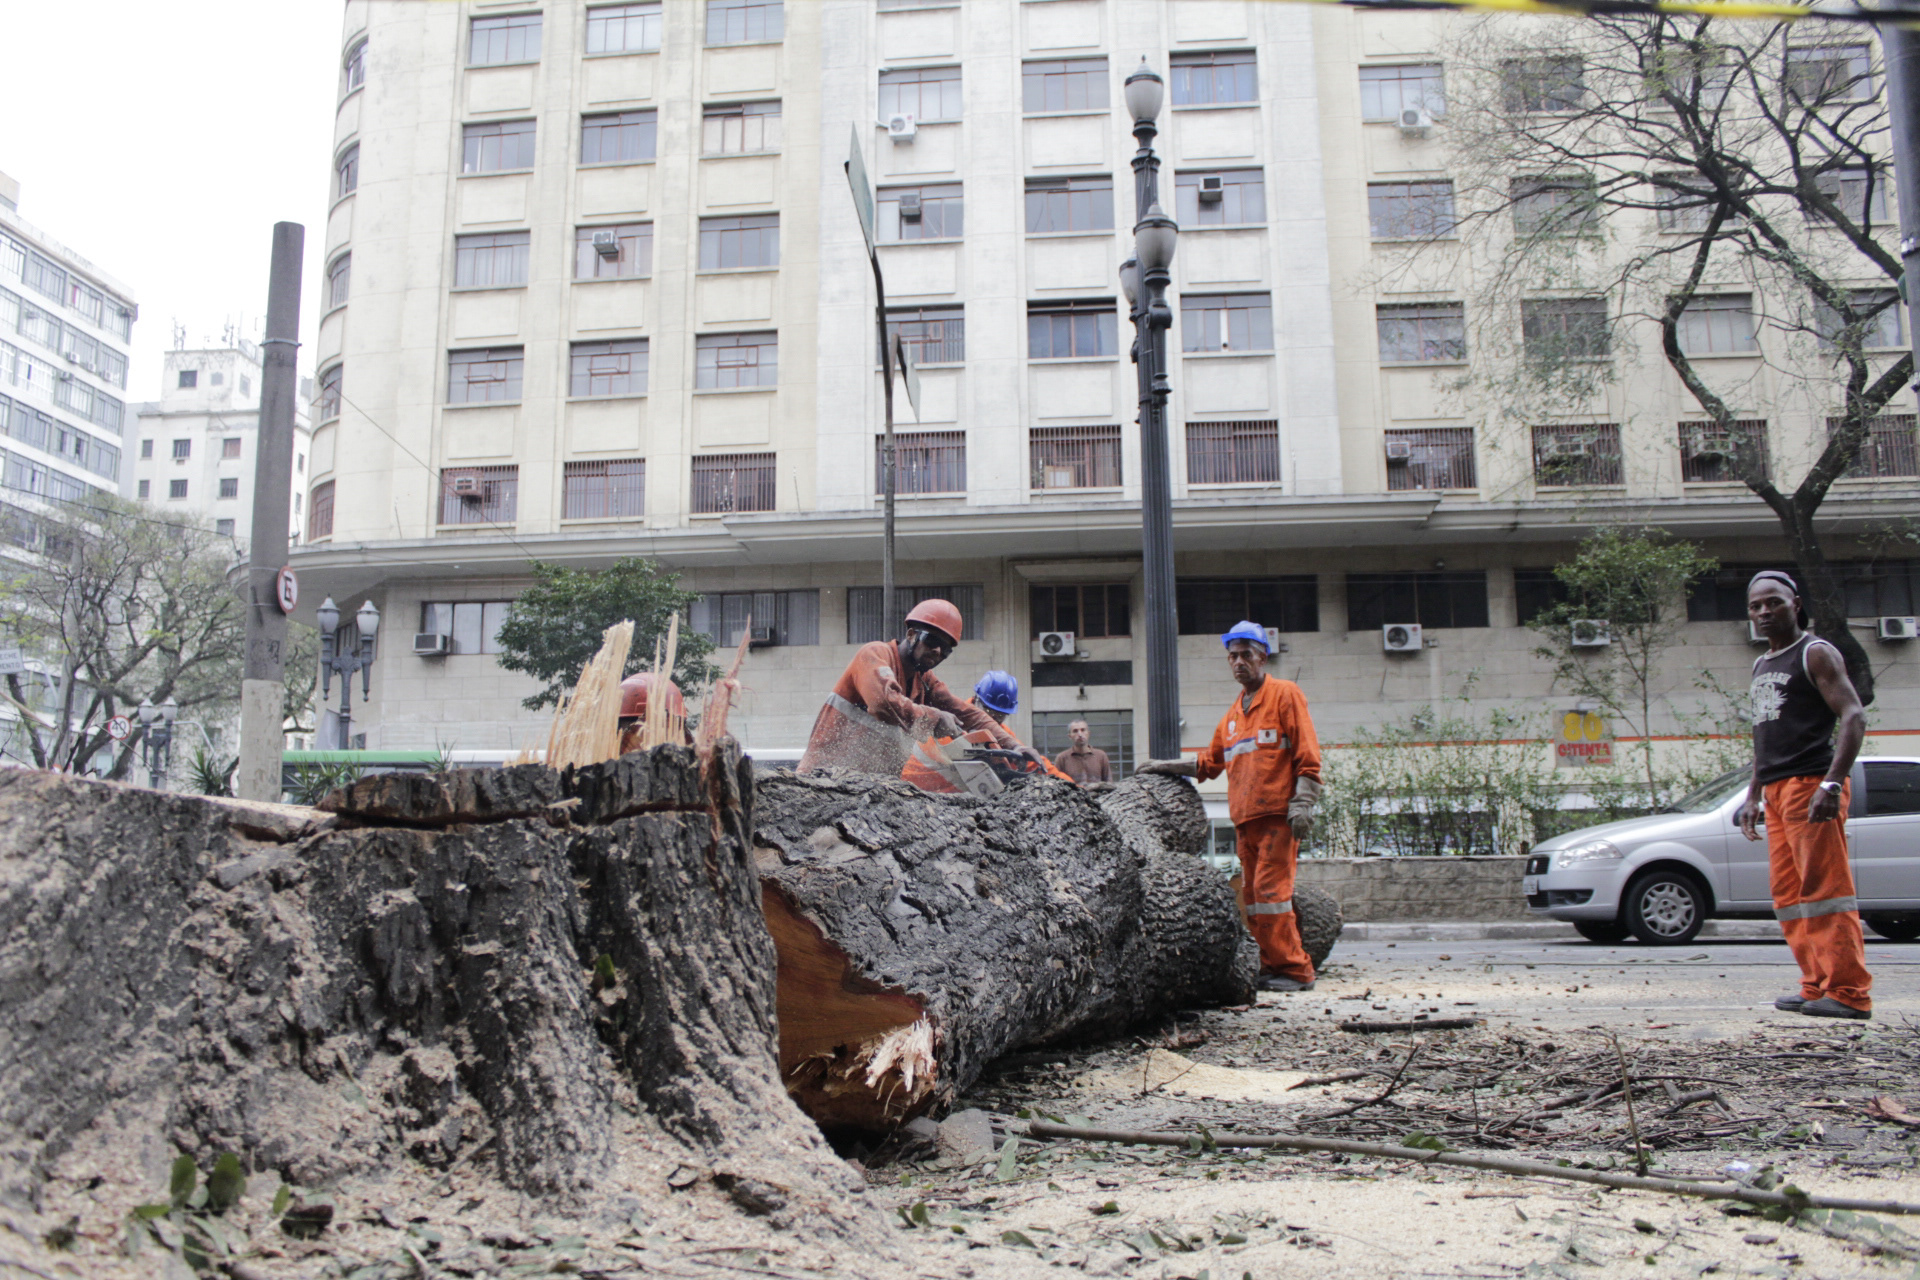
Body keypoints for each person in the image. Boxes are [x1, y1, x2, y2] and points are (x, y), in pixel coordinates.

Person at [1138, 621, 1322, 993]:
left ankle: (1295, 970)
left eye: (1246, 655)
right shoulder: (1233, 715)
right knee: (1253, 898)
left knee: (1272, 894)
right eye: (1233, 656)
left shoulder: (1286, 695)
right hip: (1245, 821)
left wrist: (1303, 803)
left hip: (1276, 819)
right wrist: (1163, 765)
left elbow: (1308, 756)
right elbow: (1208, 764)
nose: (1239, 662)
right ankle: (1271, 965)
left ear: (1262, 656)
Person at [1736, 570, 1872, 1020]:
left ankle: (1849, 992)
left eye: (1773, 602)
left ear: (1795, 603)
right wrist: (1753, 793)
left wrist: (1832, 783)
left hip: (1811, 785)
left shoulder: (1815, 653)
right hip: (1775, 793)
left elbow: (1853, 716)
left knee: (1826, 891)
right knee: (1791, 896)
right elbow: (1763, 736)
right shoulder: (1761, 664)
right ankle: (1816, 985)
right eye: (1756, 606)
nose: (1763, 612)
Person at [798, 599, 1035, 776]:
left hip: (867, 791)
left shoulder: (924, 681)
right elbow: (883, 703)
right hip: (824, 781)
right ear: (911, 635)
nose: (938, 651)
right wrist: (934, 717)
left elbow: (967, 713)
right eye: (932, 641)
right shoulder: (874, 654)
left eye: (946, 649)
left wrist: (1015, 745)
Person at [902, 671, 1072, 791]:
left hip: (948, 802)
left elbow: (1031, 762)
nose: (995, 720)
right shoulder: (951, 726)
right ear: (976, 701)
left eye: (1001, 716)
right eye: (990, 713)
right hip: (916, 791)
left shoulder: (998, 733)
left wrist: (1072, 787)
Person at [1052, 719, 1112, 784]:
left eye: (1083, 730)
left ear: (1088, 733)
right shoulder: (1062, 758)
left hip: (1099, 794)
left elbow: (1109, 782)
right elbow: (1056, 784)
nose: (1080, 734)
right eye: (1075, 731)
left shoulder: (1101, 756)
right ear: (1070, 736)